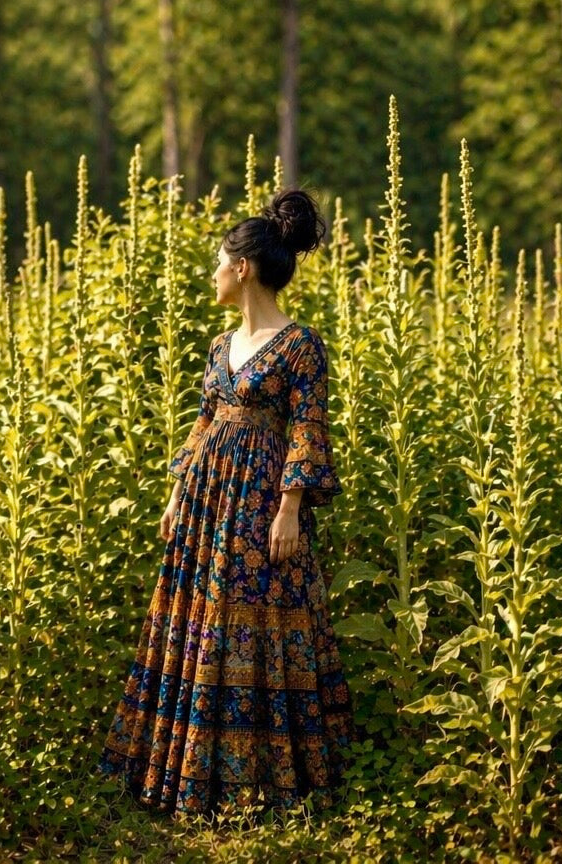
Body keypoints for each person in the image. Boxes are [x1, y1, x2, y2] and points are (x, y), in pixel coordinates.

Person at [97, 187, 355, 821]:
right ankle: (189, 775)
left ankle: (266, 782)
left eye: (218, 262)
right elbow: (205, 420)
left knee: (261, 614)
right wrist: (178, 490)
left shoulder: (300, 344)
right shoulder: (219, 346)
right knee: (199, 618)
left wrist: (290, 507)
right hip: (209, 498)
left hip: (263, 502)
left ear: (242, 269)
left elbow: (308, 428)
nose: (211, 274)